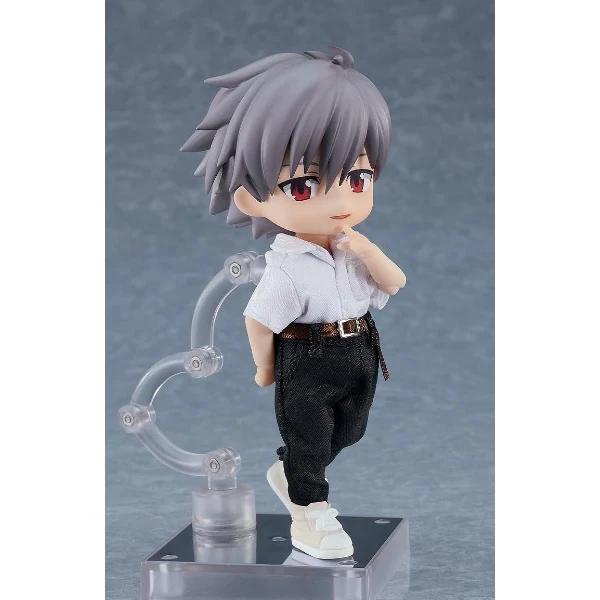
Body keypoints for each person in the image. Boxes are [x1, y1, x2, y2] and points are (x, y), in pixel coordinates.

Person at [182, 47, 406, 559]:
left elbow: (394, 283)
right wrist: (266, 367)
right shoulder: (286, 266)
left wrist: (367, 251)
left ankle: (295, 474)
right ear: (251, 198)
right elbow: (258, 320)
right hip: (307, 358)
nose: (342, 199)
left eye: (358, 178)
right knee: (309, 438)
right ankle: (311, 513)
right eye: (303, 185)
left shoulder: (351, 250)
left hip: (361, 350)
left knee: (351, 429)